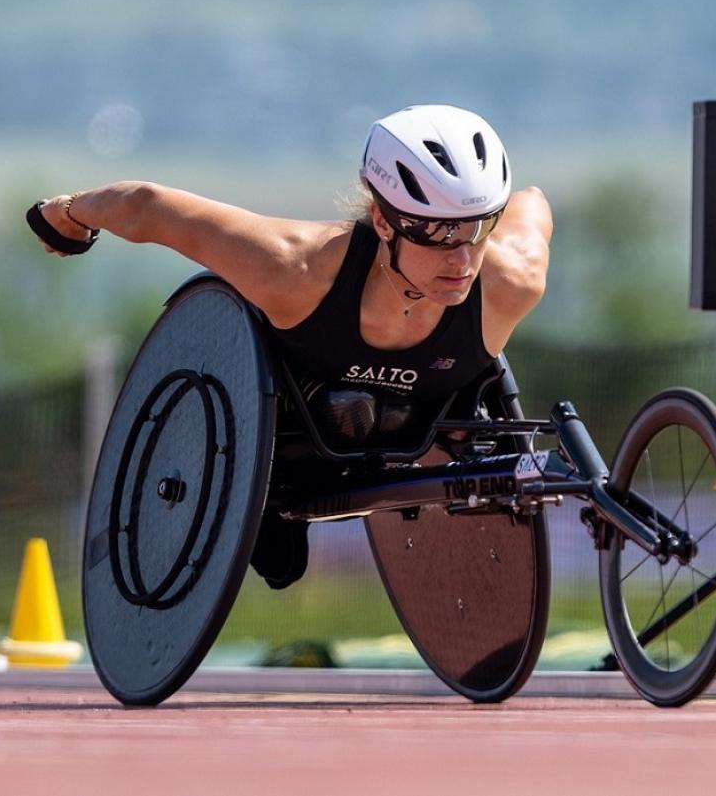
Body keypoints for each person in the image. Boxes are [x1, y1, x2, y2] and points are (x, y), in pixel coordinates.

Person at [32, 104, 552, 587]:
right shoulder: (295, 270)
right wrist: (69, 213)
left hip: (420, 421)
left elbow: (533, 204)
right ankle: (273, 509)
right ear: (383, 222)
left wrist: (476, 219)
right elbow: (149, 208)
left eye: (477, 229)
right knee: (282, 566)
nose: (461, 261)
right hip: (288, 438)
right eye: (437, 234)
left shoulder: (513, 279)